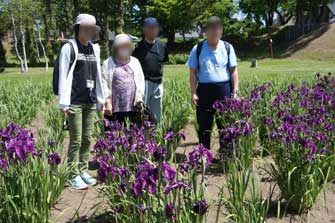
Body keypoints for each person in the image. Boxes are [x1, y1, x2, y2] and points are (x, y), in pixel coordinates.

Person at [58, 14, 105, 190]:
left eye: (92, 28)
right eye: (85, 27)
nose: (89, 31)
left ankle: (83, 170)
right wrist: (63, 103)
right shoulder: (69, 48)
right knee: (75, 140)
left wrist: (101, 99)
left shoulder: (95, 48)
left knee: (87, 138)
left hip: (90, 100)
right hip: (74, 101)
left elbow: (98, 75)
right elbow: (63, 74)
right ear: (78, 28)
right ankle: (72, 174)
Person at [186, 16, 239, 150]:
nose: (214, 32)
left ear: (221, 31)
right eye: (211, 29)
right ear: (206, 31)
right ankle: (204, 156)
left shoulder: (227, 47)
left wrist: (235, 92)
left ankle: (226, 156)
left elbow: (234, 71)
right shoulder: (197, 48)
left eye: (217, 29)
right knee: (204, 125)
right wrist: (193, 92)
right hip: (204, 91)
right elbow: (193, 73)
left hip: (224, 90)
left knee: (225, 124)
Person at [102, 34, 145, 126]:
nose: (124, 48)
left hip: (133, 106)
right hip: (114, 107)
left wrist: (139, 98)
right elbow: (103, 84)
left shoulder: (135, 61)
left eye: (126, 46)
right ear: (116, 48)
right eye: (121, 46)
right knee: (113, 134)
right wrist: (107, 102)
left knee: (132, 133)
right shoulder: (108, 63)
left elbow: (141, 81)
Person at [132, 17, 169, 124]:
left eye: (155, 27)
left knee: (156, 115)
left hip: (158, 83)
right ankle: (140, 137)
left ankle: (153, 137)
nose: (152, 30)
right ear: (144, 29)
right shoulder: (137, 47)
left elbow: (163, 63)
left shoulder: (162, 45)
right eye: (149, 27)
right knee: (142, 112)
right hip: (144, 83)